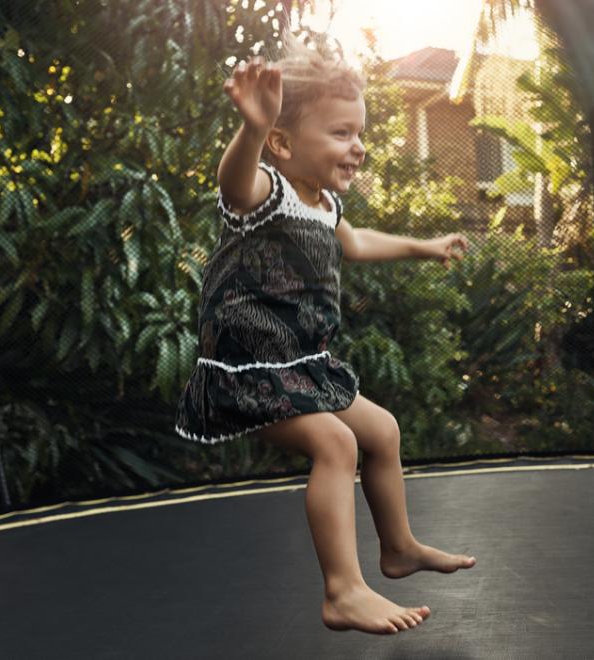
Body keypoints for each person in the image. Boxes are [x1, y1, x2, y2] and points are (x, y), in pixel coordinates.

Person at [174, 40, 475, 636]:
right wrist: (252, 129)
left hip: (303, 365)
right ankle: (343, 590)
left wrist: (424, 246)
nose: (356, 146)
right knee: (336, 445)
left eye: (359, 133)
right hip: (247, 372)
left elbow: (357, 242)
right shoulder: (265, 194)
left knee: (382, 430)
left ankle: (399, 548)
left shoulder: (325, 204)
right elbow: (233, 183)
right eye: (340, 133)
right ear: (283, 145)